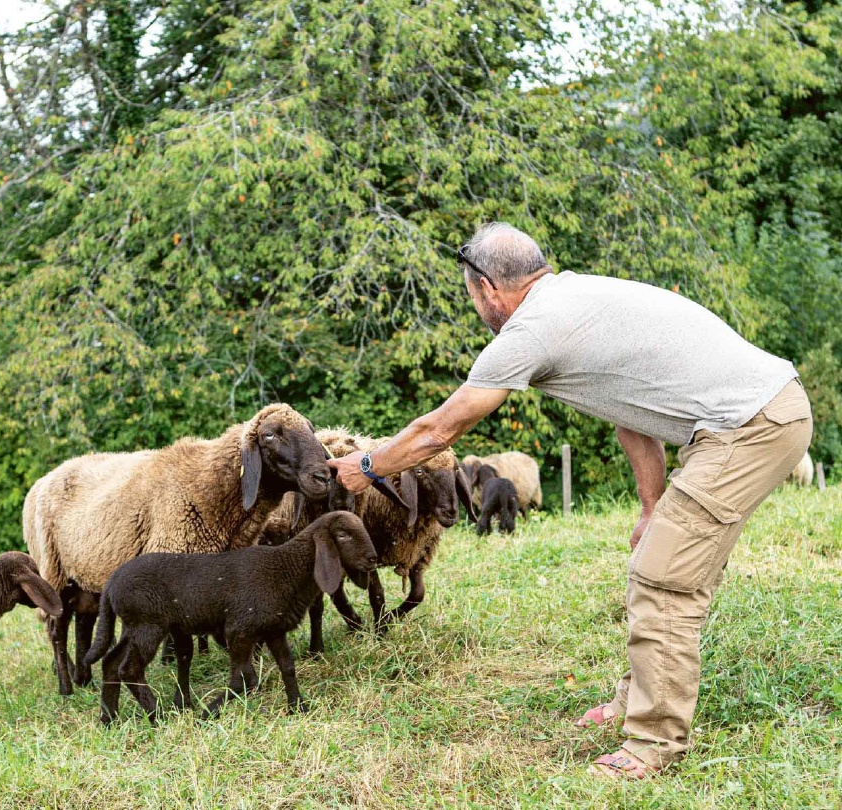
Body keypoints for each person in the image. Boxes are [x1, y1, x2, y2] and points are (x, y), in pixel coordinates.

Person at [328, 222, 812, 779]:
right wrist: (651, 507)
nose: (476, 307)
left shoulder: (532, 330)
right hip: (755, 413)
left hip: (751, 425)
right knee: (657, 557)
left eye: (471, 295)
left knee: (664, 578)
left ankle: (651, 746)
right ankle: (636, 701)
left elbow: (438, 432)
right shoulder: (577, 299)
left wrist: (365, 466)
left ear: (487, 287)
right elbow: (630, 412)